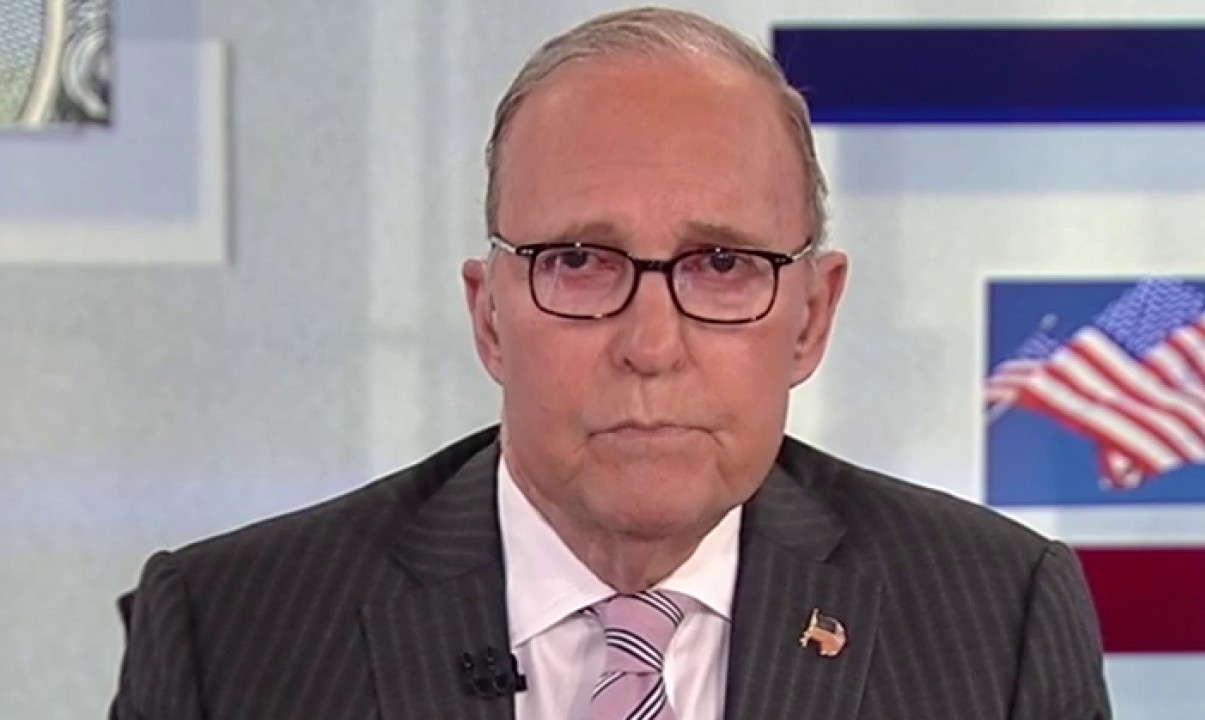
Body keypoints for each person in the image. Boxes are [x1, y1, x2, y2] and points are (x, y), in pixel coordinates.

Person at [110, 6, 1111, 719]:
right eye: (581, 262)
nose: (650, 346)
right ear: (489, 316)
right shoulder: (230, 634)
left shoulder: (996, 623)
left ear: (811, 317)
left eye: (722, 265)